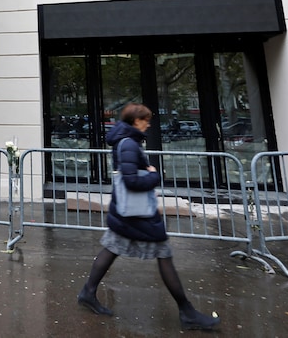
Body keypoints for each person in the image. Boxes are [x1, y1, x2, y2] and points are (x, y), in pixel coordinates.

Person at [76, 103, 220, 331]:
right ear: (135, 122)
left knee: (113, 248)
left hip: (128, 213)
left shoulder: (126, 142)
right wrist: (154, 177)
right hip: (137, 214)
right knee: (162, 252)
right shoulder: (129, 145)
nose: (149, 123)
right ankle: (187, 311)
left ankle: (88, 292)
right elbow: (131, 181)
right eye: (145, 119)